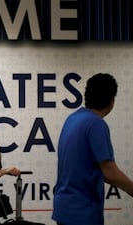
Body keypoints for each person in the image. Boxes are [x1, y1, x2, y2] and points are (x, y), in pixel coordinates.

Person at [52, 73, 133, 225]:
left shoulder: (72, 119)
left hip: (63, 210)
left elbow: (102, 173)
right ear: (112, 100)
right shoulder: (96, 124)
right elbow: (110, 172)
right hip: (82, 212)